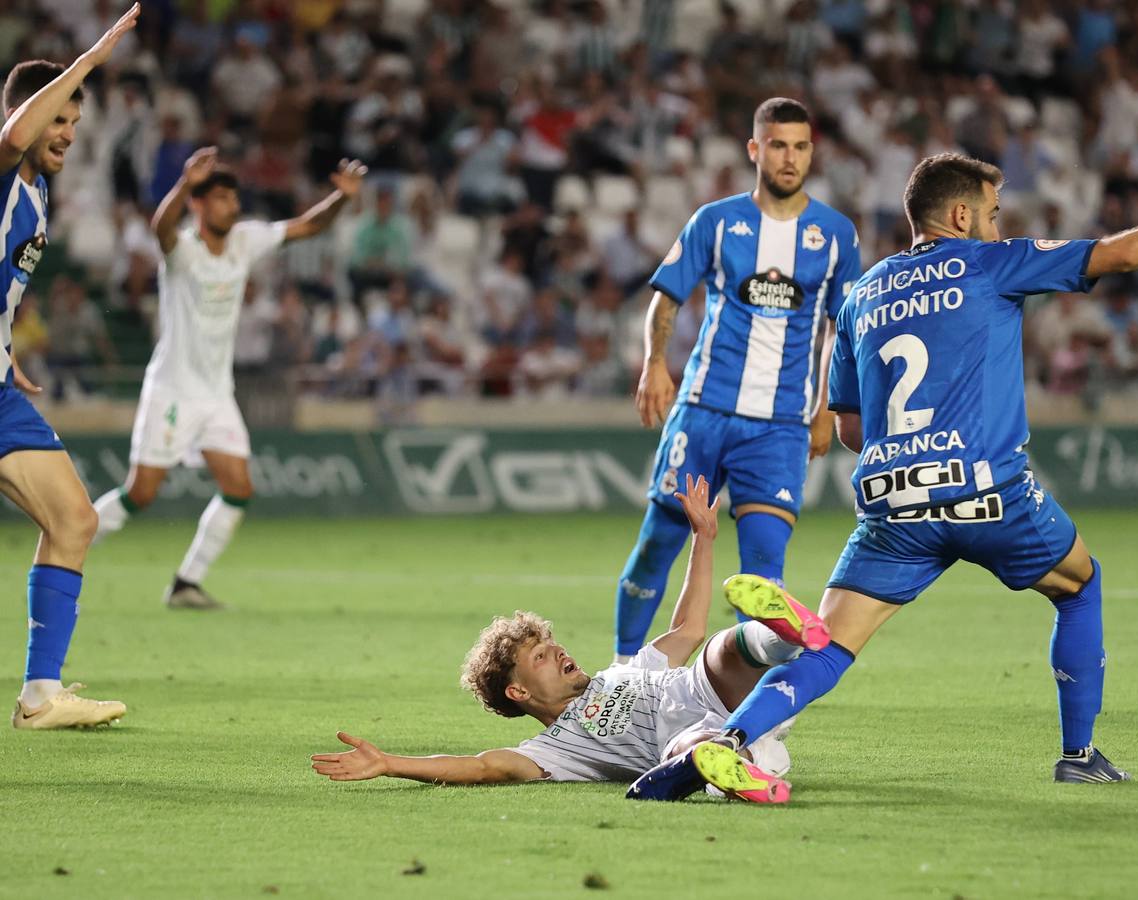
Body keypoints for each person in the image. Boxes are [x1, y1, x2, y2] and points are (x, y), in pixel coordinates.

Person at [629, 153, 1138, 801]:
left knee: (827, 646)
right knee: (1079, 584)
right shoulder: (991, 263)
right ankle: (1078, 755)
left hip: (892, 503)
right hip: (987, 492)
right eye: (992, 214)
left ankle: (728, 740)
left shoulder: (862, 296)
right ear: (961, 215)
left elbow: (850, 429)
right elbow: (1121, 254)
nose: (997, 226)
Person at [310, 475, 824, 801]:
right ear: (518, 691)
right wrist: (389, 763)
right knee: (691, 749)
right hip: (692, 735)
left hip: (710, 689)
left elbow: (688, 628)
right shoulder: (555, 750)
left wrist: (703, 539)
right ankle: (741, 765)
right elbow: (484, 766)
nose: (557, 650)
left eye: (551, 643)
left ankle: (783, 635)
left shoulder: (624, 671)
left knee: (721, 648)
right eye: (540, 655)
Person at [615, 98, 861, 663]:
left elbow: (840, 328)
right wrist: (655, 363)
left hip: (779, 426)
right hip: (704, 409)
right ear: (755, 149)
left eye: (800, 147)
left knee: (763, 574)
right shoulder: (717, 221)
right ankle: (623, 673)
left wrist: (828, 407)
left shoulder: (835, 234)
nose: (789, 158)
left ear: (811, 153)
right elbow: (666, 297)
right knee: (658, 543)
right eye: (777, 145)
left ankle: (743, 698)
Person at [90, 148, 368, 609]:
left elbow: (307, 226)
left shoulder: (245, 240)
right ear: (198, 204)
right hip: (173, 390)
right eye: (220, 198)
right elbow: (160, 229)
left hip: (217, 394)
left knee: (238, 488)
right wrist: (183, 183)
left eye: (234, 198)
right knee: (140, 493)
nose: (232, 206)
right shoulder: (183, 250)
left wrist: (341, 197)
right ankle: (68, 546)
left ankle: (186, 584)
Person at [5, 4, 139, 730]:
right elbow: (13, 135)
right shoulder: (4, 167)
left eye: (74, 124)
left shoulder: (37, 192)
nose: (66, 134)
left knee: (74, 520)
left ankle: (39, 696)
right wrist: (90, 58)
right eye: (58, 119)